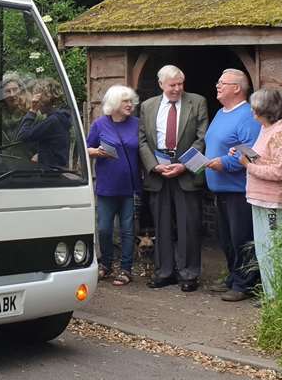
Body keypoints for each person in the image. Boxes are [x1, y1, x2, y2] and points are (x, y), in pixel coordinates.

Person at [139, 65, 208, 292]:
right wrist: (154, 165)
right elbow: (142, 141)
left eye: (180, 84)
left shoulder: (197, 102)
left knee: (188, 224)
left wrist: (184, 166)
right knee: (161, 224)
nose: (177, 89)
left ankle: (188, 274)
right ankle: (164, 272)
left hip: (185, 172)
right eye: (172, 85)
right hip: (159, 173)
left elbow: (202, 138)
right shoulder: (148, 106)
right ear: (161, 85)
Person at [203, 68, 261, 301]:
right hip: (219, 189)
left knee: (241, 238)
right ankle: (233, 277)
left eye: (222, 83)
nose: (217, 86)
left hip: (238, 190)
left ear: (237, 88)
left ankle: (245, 285)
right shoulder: (221, 112)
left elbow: (252, 152)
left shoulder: (248, 116)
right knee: (226, 239)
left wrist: (225, 163)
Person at [239, 87, 282, 300]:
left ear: (268, 111)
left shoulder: (281, 132)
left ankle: (277, 298)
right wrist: (245, 153)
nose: (253, 114)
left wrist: (248, 165)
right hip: (259, 196)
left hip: (272, 200)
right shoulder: (267, 128)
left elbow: (279, 172)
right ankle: (270, 295)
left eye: (256, 110)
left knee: (273, 250)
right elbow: (265, 159)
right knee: (263, 250)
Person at [85, 85, 143, 286]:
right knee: (104, 229)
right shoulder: (100, 124)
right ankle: (106, 265)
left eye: (131, 101)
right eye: (125, 101)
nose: (130, 105)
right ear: (114, 104)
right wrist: (96, 152)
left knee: (127, 229)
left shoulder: (137, 124)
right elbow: (86, 149)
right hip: (107, 186)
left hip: (130, 187)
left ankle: (126, 269)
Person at [15, 76, 72, 168]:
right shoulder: (60, 117)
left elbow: (22, 136)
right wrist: (40, 155)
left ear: (41, 98)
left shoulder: (53, 121)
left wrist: (32, 110)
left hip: (49, 174)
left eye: (36, 97)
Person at [0, 73, 29, 145]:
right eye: (8, 91)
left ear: (21, 91)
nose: (12, 94)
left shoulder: (32, 112)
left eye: (15, 90)